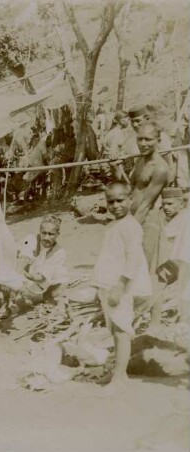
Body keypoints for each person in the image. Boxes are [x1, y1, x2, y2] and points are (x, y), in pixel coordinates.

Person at [93, 182, 152, 390]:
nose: (116, 205)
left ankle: (120, 377)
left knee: (121, 331)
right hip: (111, 285)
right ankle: (117, 373)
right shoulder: (116, 225)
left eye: (120, 200)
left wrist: (120, 284)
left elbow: (133, 257)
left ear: (130, 200)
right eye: (111, 201)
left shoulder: (130, 226)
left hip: (123, 287)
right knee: (115, 331)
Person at [0, 215, 68, 318]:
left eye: (51, 234)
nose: (46, 237)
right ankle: (7, 302)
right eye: (44, 233)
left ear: (57, 234)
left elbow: (41, 277)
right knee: (8, 268)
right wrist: (15, 277)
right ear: (40, 231)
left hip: (41, 283)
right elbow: (23, 258)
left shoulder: (59, 252)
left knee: (62, 274)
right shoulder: (31, 239)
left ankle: (43, 299)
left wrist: (28, 276)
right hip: (23, 278)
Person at [130, 121, 172, 276]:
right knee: (130, 265)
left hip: (148, 222)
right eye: (139, 139)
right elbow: (130, 189)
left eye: (148, 139)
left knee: (143, 270)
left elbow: (146, 204)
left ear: (158, 140)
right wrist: (115, 167)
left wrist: (129, 228)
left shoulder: (160, 168)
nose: (143, 143)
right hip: (134, 218)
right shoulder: (140, 161)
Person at [148, 187, 190, 331]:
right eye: (164, 204)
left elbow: (164, 235)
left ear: (181, 203)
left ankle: (155, 325)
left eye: (170, 204)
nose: (166, 207)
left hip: (185, 262)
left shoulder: (183, 217)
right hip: (179, 261)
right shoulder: (180, 216)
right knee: (158, 283)